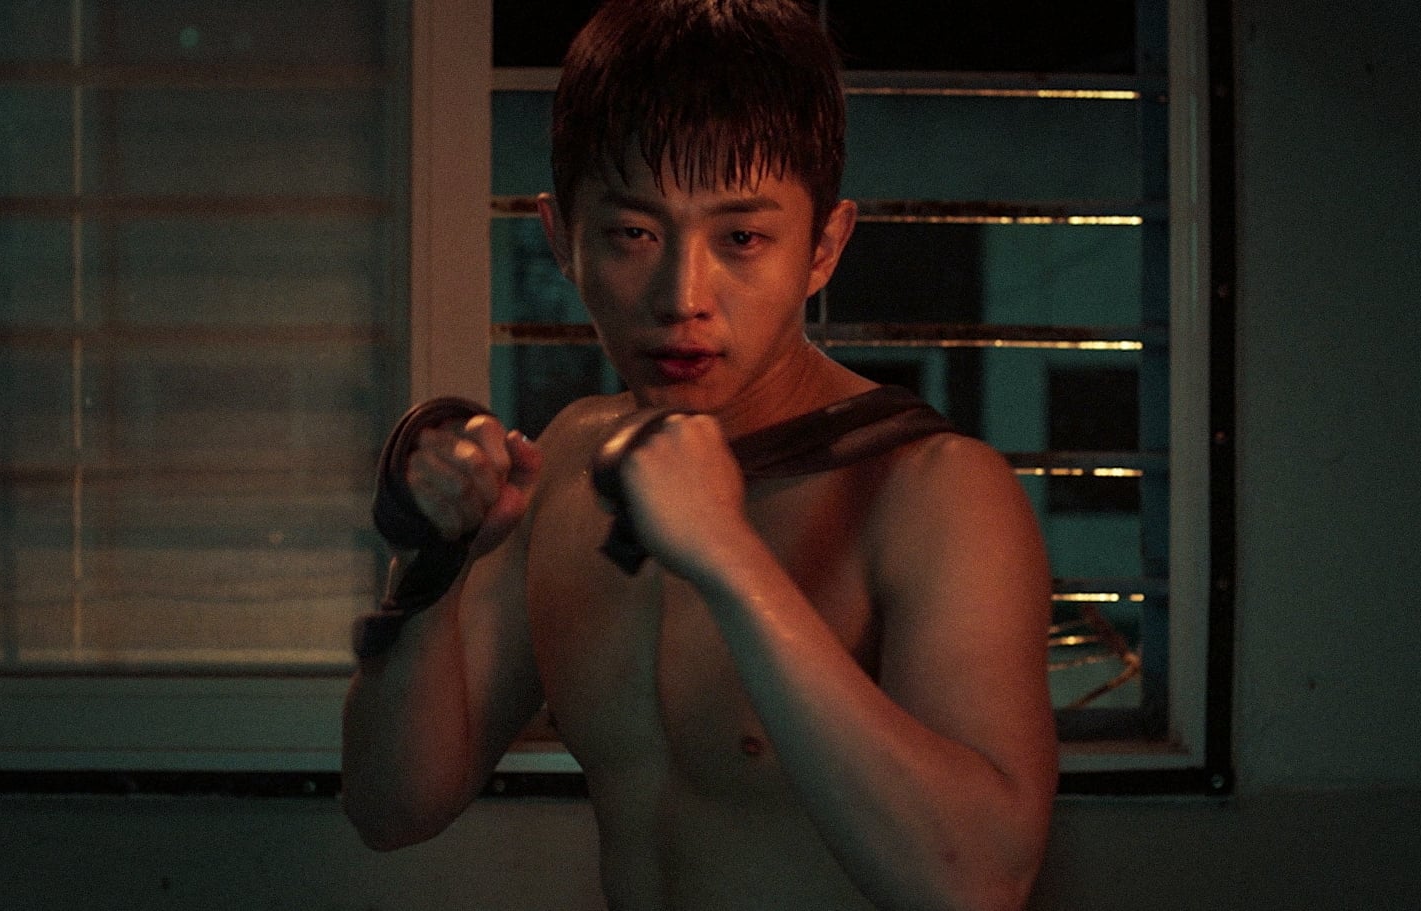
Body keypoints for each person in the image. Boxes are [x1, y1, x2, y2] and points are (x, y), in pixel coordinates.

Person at [341, 0, 1058, 908]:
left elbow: (981, 883)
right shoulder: (570, 462)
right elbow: (391, 808)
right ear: (561, 238)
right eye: (633, 234)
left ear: (824, 247)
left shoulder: (933, 491)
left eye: (742, 238)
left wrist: (729, 558)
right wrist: (431, 565)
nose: (683, 294)